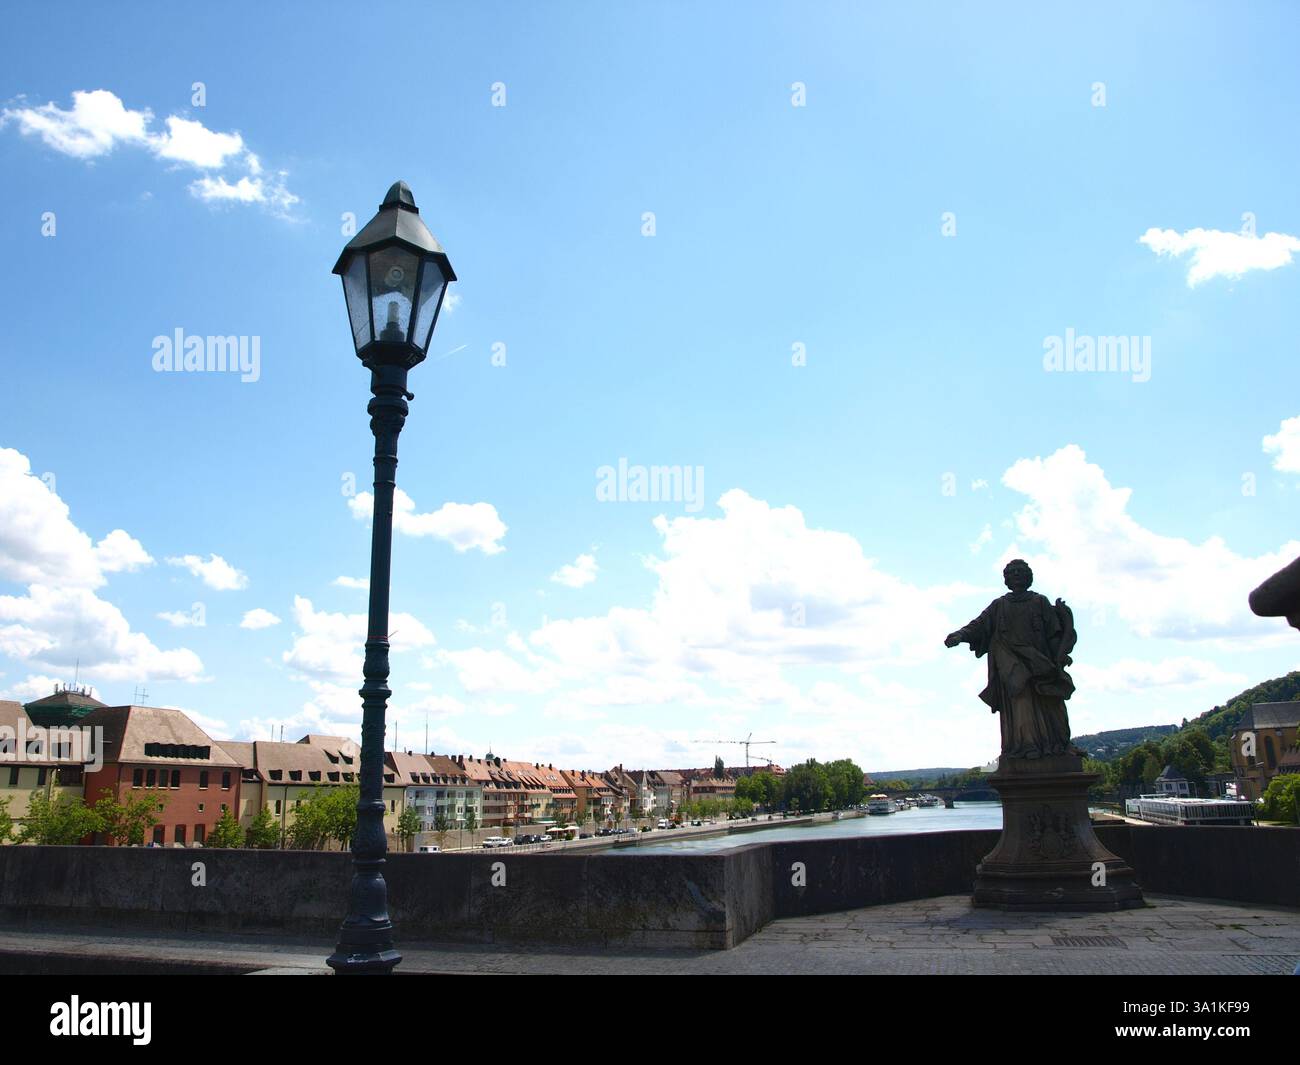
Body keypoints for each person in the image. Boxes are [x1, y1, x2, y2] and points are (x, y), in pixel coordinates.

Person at [944, 559, 1080, 759]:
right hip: (1011, 665)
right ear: (1006, 579)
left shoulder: (1039, 601)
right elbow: (979, 625)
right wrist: (960, 635)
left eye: (1020, 571)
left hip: (1039, 664)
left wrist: (1060, 656)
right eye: (1011, 572)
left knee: (1052, 705)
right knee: (1020, 704)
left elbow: (1054, 633)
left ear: (1029, 577)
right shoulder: (1000, 605)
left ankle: (1058, 744)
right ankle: (1027, 746)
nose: (1016, 574)